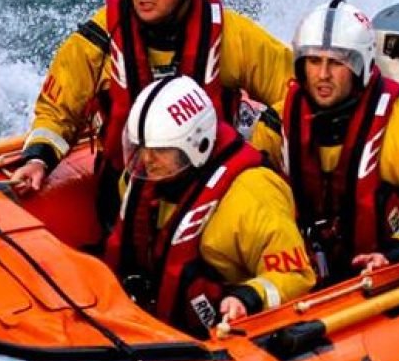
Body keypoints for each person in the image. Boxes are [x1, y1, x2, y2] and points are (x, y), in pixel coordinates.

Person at [9, 0, 294, 231]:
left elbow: (294, 94)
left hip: (214, 194)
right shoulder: (100, 38)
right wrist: (38, 159)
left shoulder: (231, 35)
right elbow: (56, 111)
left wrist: (257, 153)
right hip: (125, 194)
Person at [250, 0, 399, 284]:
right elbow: (256, 208)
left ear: (360, 66)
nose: (323, 75)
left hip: (388, 271)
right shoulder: (276, 125)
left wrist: (397, 251)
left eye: (336, 63)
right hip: (304, 277)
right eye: (314, 61)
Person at [104, 75, 315, 337]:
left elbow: (296, 274)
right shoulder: (140, 183)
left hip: (217, 340)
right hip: (148, 326)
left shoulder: (253, 195)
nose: (147, 159)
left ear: (196, 145)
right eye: (142, 147)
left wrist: (248, 296)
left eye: (160, 150)